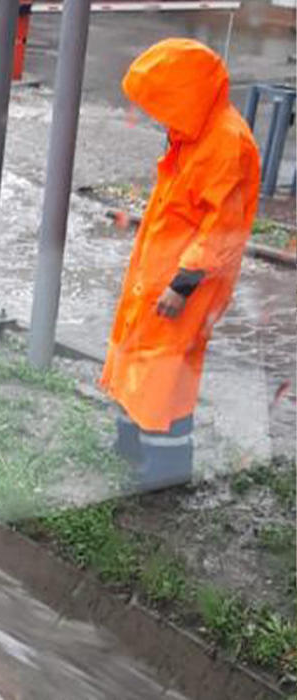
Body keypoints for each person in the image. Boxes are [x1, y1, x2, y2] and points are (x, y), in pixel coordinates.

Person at [100, 38, 260, 491]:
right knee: (138, 354)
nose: (155, 115)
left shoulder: (226, 142)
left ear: (184, 95)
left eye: (161, 103)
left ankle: (164, 470)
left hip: (187, 282)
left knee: (166, 372)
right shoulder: (193, 130)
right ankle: (132, 446)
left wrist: (182, 284)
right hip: (160, 273)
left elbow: (221, 227)